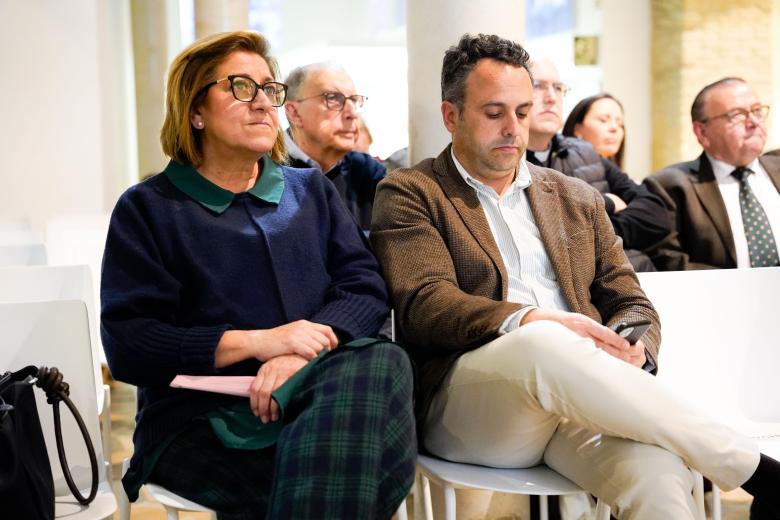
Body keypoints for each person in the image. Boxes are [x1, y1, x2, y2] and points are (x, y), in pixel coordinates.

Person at [370, 33, 780, 520]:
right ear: (451, 116)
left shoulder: (575, 196)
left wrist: (635, 347)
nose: (513, 128)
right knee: (543, 341)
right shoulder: (411, 191)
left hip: (579, 403)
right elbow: (425, 303)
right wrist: (529, 319)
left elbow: (632, 300)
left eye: (522, 113)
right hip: (472, 407)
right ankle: (759, 473)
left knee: (657, 476)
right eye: (494, 112)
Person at [101, 31, 415, 519]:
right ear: (194, 111)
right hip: (201, 423)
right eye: (241, 87)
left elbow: (365, 289)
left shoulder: (310, 190)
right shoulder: (150, 208)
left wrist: (299, 359)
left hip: (320, 399)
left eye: (270, 89)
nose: (263, 103)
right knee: (358, 469)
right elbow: (131, 344)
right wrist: (259, 343)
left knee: (382, 359)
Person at [525, 59, 671, 272]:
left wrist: (602, 233)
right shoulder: (508, 159)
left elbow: (657, 214)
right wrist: (607, 204)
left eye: (558, 88)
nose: (551, 97)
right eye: (538, 86)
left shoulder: (584, 153)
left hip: (627, 276)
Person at [644, 77, 780, 270]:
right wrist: (743, 288)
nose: (753, 122)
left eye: (757, 111)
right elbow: (668, 260)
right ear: (702, 132)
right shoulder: (669, 186)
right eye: (737, 115)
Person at [283, 62, 386, 230]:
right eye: (333, 98)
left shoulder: (367, 173)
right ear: (294, 113)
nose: (352, 113)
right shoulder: (261, 170)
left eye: (354, 100)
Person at [563, 93, 625, 169]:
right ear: (577, 128)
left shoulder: (620, 178)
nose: (615, 128)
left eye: (620, 123)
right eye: (603, 120)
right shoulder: (562, 175)